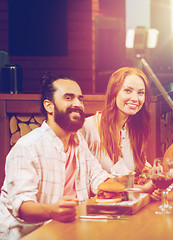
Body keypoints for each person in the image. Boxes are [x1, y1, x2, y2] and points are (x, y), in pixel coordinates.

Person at [0, 74, 110, 239]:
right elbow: (21, 206)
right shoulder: (27, 147)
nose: (77, 104)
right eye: (68, 98)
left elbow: (99, 179)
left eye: (80, 99)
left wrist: (134, 188)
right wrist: (52, 211)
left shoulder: (79, 141)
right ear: (49, 106)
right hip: (29, 234)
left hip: (72, 230)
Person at [79, 67, 156, 195]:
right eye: (128, 91)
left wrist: (150, 173)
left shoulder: (134, 128)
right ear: (114, 92)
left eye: (141, 93)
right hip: (96, 205)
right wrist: (142, 189)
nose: (135, 98)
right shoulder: (88, 127)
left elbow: (138, 167)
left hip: (127, 203)